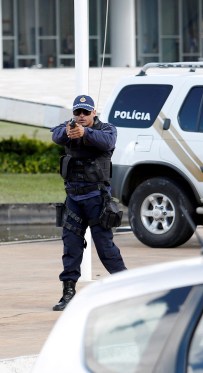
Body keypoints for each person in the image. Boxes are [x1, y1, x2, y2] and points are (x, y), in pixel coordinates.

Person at [50, 95, 127, 311]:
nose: (81, 116)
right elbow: (55, 135)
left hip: (97, 199)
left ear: (94, 112)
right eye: (78, 112)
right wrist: (68, 131)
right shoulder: (68, 128)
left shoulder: (106, 130)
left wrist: (85, 133)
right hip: (73, 199)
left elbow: (108, 142)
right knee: (71, 248)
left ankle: (127, 289)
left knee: (106, 248)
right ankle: (68, 293)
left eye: (86, 112)